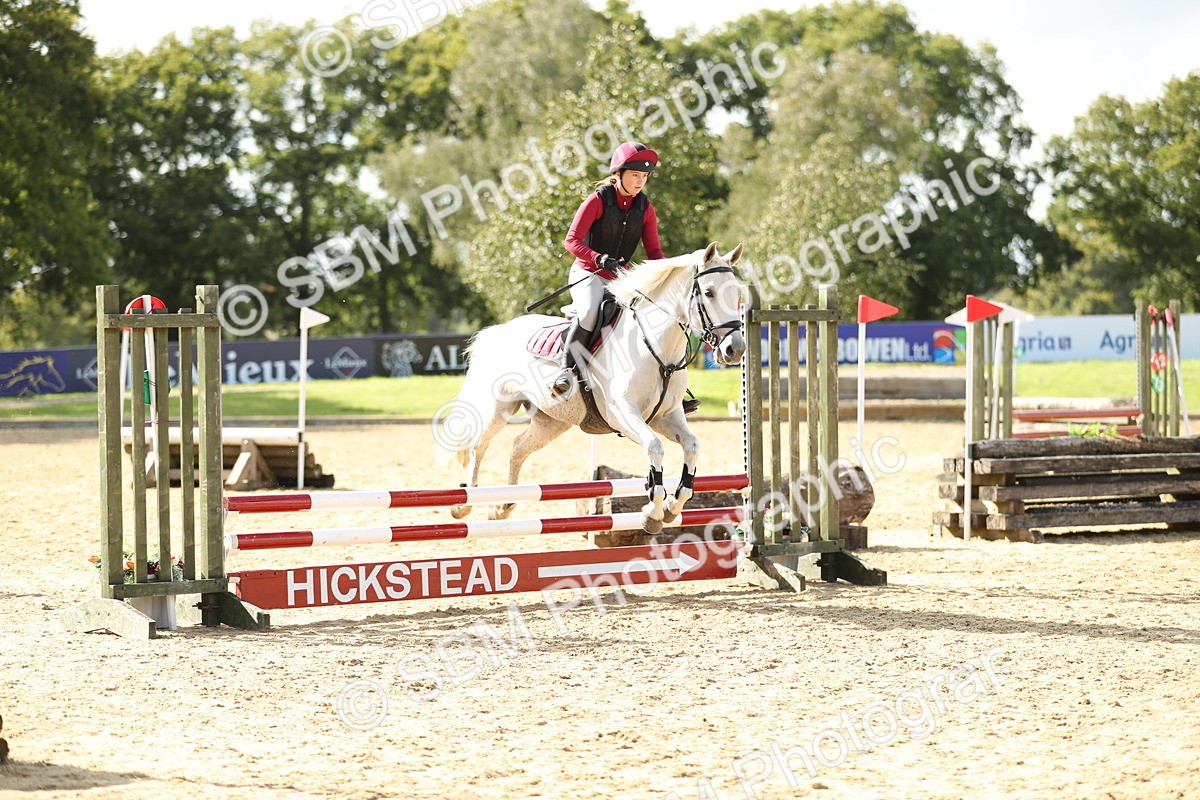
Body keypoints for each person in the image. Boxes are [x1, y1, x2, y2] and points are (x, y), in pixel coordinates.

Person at [553, 141, 666, 397]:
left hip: (620, 278)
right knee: (591, 312)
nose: (640, 182)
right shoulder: (597, 200)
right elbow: (571, 241)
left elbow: (655, 252)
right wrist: (599, 259)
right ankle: (565, 370)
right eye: (635, 175)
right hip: (587, 272)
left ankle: (665, 388)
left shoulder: (645, 208)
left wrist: (669, 273)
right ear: (619, 174)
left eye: (644, 177)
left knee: (648, 316)